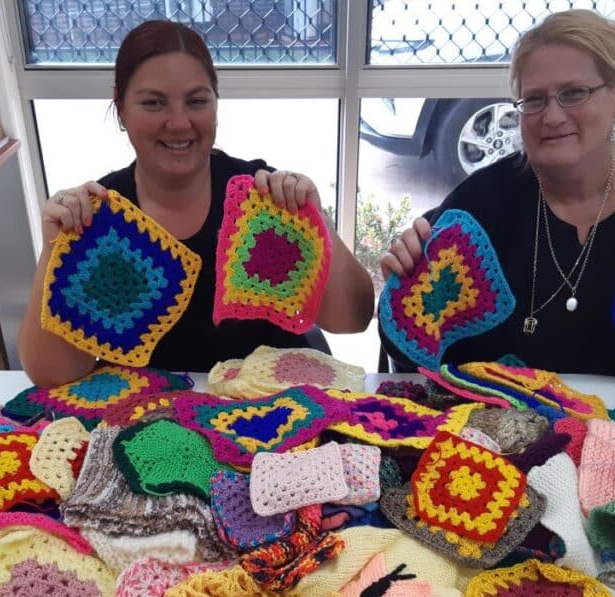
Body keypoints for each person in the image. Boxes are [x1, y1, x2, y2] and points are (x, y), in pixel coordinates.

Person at [378, 9, 615, 376]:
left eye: (574, 93)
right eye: (535, 99)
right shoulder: (480, 204)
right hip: (499, 426)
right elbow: (405, 352)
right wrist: (402, 282)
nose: (553, 116)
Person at [19, 20, 374, 388]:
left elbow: (353, 319)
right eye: (153, 103)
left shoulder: (265, 202)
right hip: (153, 424)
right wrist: (54, 249)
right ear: (121, 109)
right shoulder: (99, 220)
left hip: (275, 412)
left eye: (197, 101)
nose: (178, 122)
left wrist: (317, 221)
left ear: (216, 105)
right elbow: (53, 374)